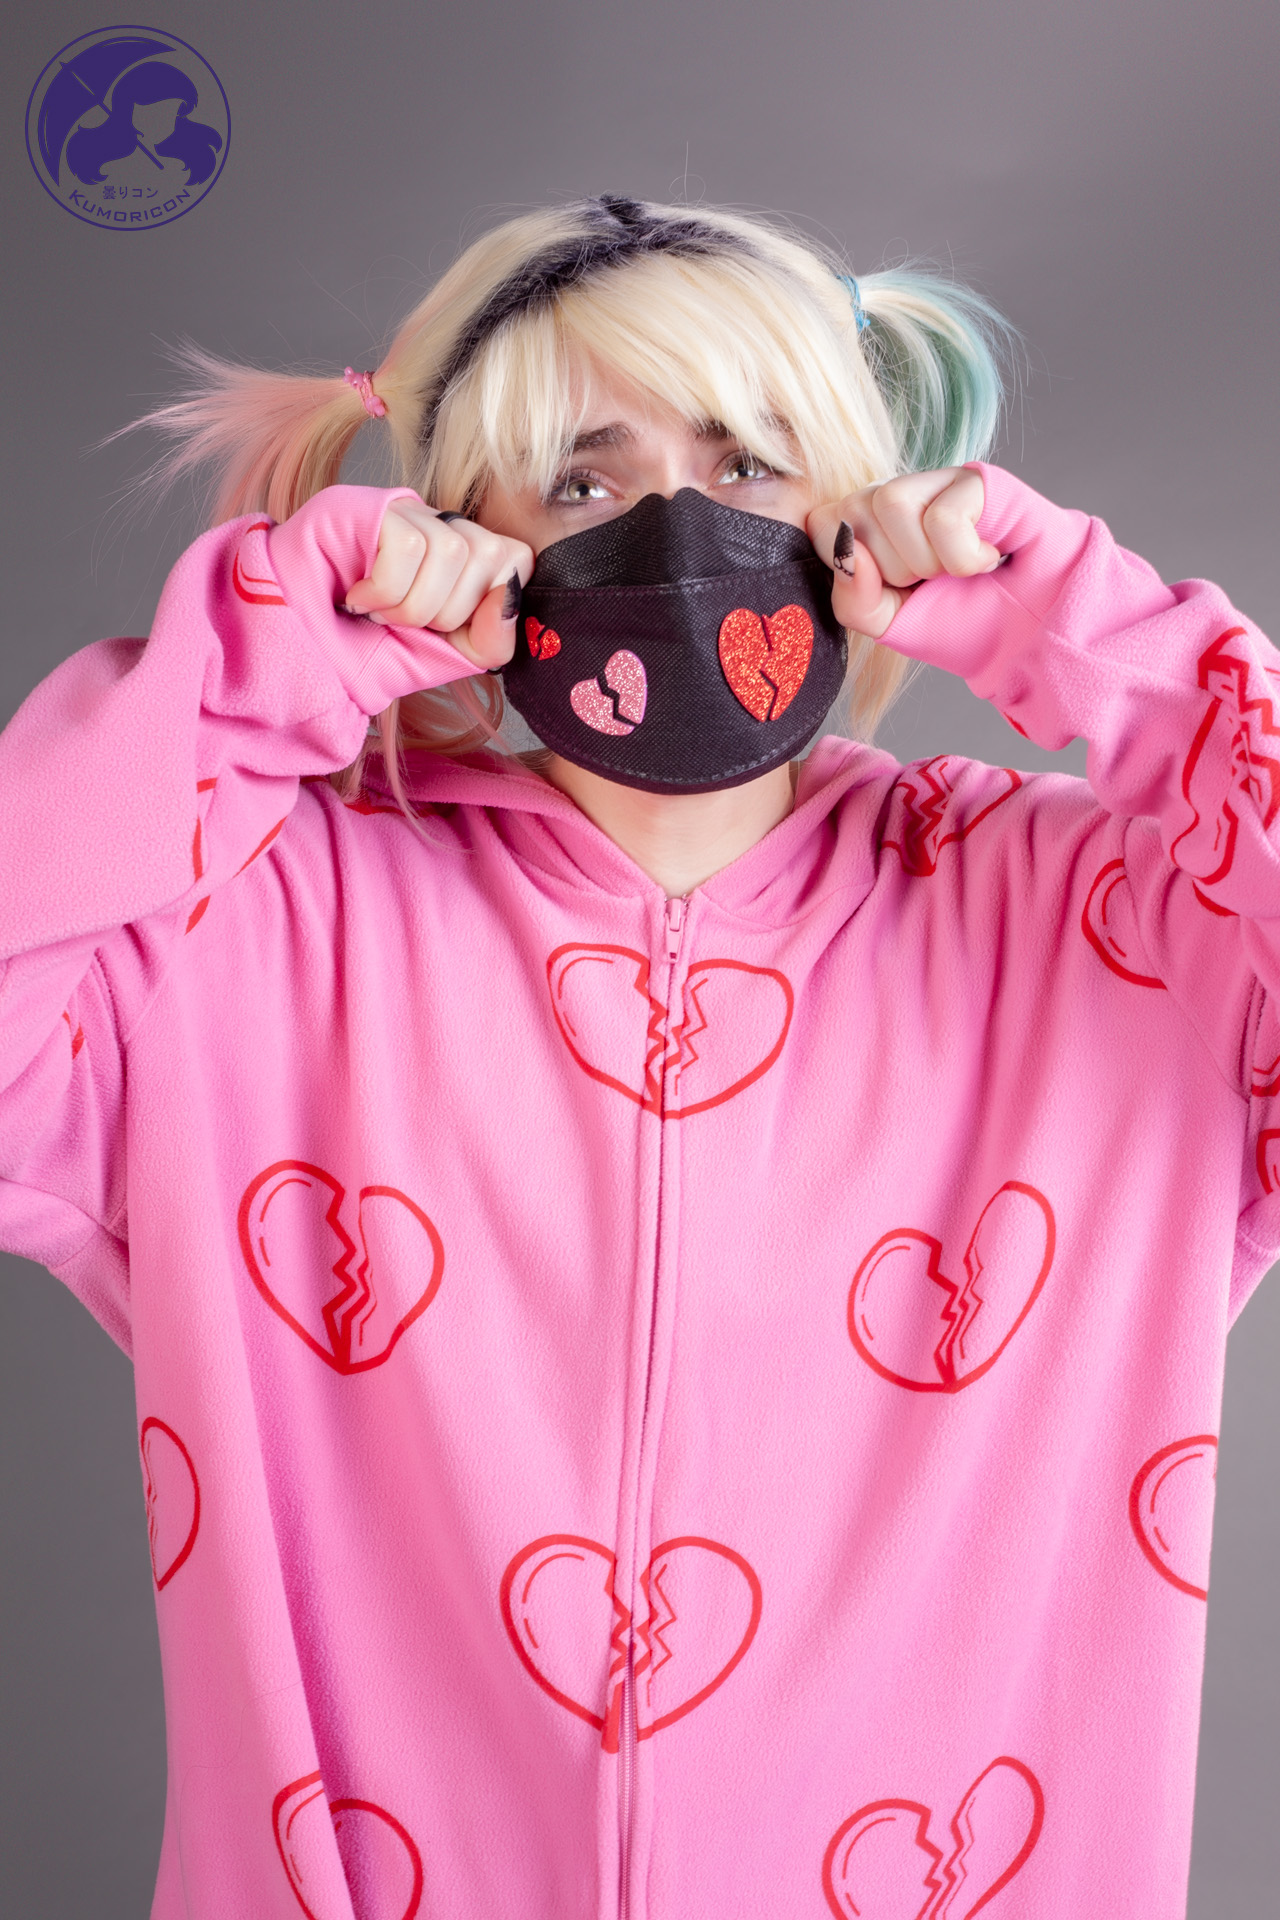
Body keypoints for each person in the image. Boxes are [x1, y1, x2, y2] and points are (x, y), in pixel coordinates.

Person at [0, 193, 1272, 1920]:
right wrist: (252, 669)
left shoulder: (1112, 937)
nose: (678, 533)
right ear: (464, 546)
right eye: (581, 484)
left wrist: (1114, 655)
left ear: (857, 507)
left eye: (750, 463)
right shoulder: (243, 926)